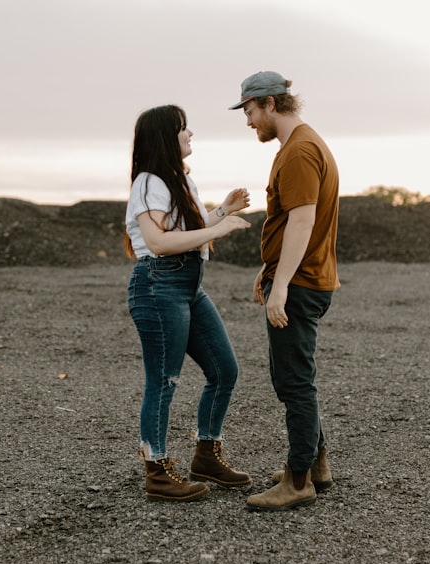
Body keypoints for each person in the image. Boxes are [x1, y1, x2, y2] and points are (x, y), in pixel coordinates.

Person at [125, 104, 254, 502]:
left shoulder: (177, 180)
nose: (190, 134)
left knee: (224, 370)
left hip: (187, 285)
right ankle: (157, 471)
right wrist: (221, 228)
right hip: (158, 286)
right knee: (164, 381)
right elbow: (160, 243)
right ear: (167, 136)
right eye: (183, 129)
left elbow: (185, 230)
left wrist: (221, 212)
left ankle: (206, 455)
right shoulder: (149, 181)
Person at [228, 71, 341, 511]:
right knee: (293, 378)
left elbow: (302, 220)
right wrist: (270, 270)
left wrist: (281, 287)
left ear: (270, 104)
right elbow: (295, 223)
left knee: (294, 382)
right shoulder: (305, 143)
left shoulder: (298, 151)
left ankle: (298, 482)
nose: (249, 121)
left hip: (300, 283)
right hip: (298, 276)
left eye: (251, 111)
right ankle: (315, 465)